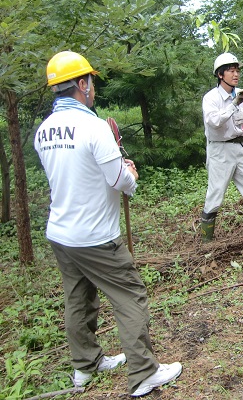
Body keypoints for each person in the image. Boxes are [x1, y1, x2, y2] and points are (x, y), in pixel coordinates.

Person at [34, 51, 182, 397]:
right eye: (92, 82)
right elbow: (119, 181)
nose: (94, 89)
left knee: (78, 298)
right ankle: (144, 373)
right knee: (130, 295)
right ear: (82, 84)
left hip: (61, 232)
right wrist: (130, 172)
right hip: (96, 236)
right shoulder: (93, 127)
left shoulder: (43, 131)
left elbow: (73, 175)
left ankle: (85, 366)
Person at [198, 53, 243, 241]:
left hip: (240, 147)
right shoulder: (211, 98)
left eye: (237, 71)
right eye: (231, 71)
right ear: (220, 74)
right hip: (220, 150)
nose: (236, 75)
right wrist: (234, 105)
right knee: (216, 194)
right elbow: (214, 121)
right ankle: (206, 240)